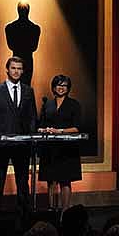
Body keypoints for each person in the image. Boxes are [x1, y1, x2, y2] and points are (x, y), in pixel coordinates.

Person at [0, 56, 36, 221]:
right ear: (7, 69)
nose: (17, 71)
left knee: (22, 181)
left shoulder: (28, 91)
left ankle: (24, 215)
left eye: (19, 68)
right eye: (13, 68)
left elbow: (32, 116)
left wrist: (31, 137)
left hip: (22, 144)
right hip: (1, 143)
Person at [37, 74, 82, 212]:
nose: (61, 88)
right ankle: (52, 210)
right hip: (50, 147)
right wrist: (44, 129)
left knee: (65, 180)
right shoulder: (47, 104)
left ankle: (65, 212)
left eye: (64, 85)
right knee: (50, 179)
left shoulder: (74, 104)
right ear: (53, 87)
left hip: (67, 148)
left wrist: (59, 131)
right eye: (58, 85)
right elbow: (40, 125)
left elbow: (77, 128)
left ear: (68, 88)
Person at [5, 1, 41, 86]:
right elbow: (33, 47)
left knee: (16, 86)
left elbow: (11, 46)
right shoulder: (35, 28)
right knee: (24, 86)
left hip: (17, 59)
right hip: (27, 60)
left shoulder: (10, 27)